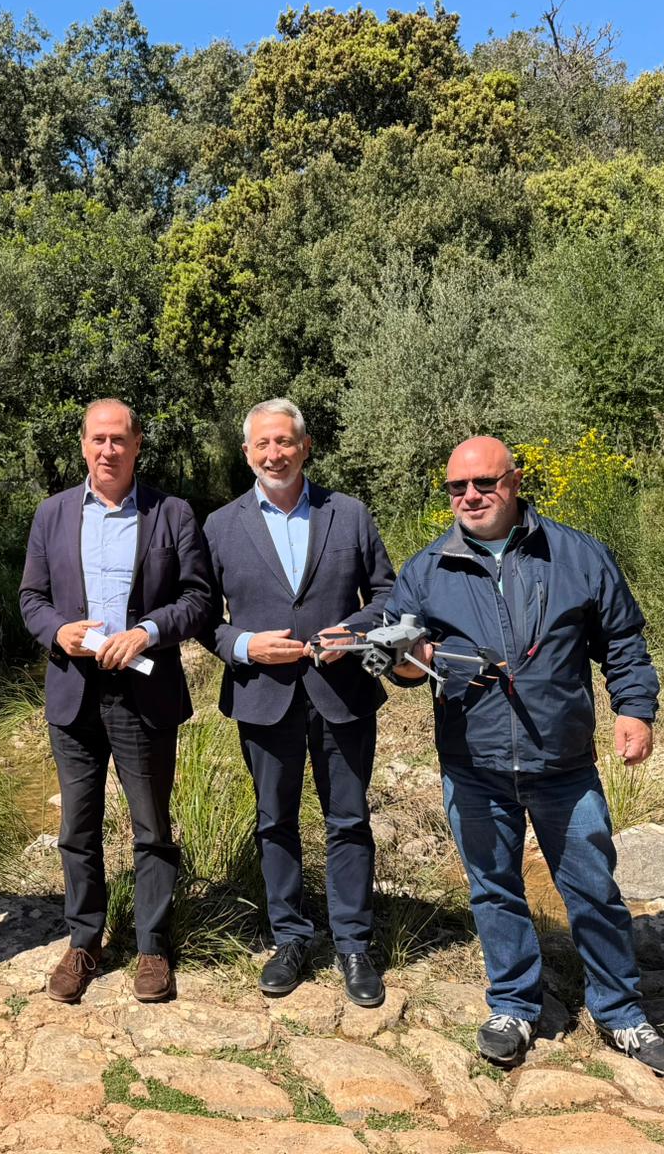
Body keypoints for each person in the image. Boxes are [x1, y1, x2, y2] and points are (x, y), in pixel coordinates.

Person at [387, 435, 664, 1076]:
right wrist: (413, 661)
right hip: (474, 762)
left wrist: (635, 709)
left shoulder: (576, 553)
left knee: (593, 890)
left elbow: (624, 641)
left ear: (515, 482)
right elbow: (401, 657)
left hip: (564, 764)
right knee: (494, 890)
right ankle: (514, 1005)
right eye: (457, 488)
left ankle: (623, 1012)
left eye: (484, 484)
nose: (470, 496)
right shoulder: (427, 567)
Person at [201, 399, 396, 1007]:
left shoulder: (350, 514)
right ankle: (289, 936)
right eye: (262, 444)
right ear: (247, 454)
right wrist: (244, 646)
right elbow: (202, 616)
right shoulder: (220, 526)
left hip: (342, 694)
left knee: (349, 820)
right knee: (274, 821)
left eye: (285, 442)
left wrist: (355, 632)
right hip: (264, 699)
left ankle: (354, 944)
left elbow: (389, 593)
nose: (274, 454)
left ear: (305, 446)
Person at [19, 399, 214, 1005]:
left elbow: (200, 600)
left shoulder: (172, 513)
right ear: (83, 445)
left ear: (136, 446)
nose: (108, 450)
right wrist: (58, 631)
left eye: (119, 441)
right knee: (77, 826)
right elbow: (30, 598)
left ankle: (154, 945)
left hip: (144, 692)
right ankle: (85, 940)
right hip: (74, 692)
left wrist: (148, 630)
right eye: (98, 439)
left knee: (151, 827)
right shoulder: (52, 515)